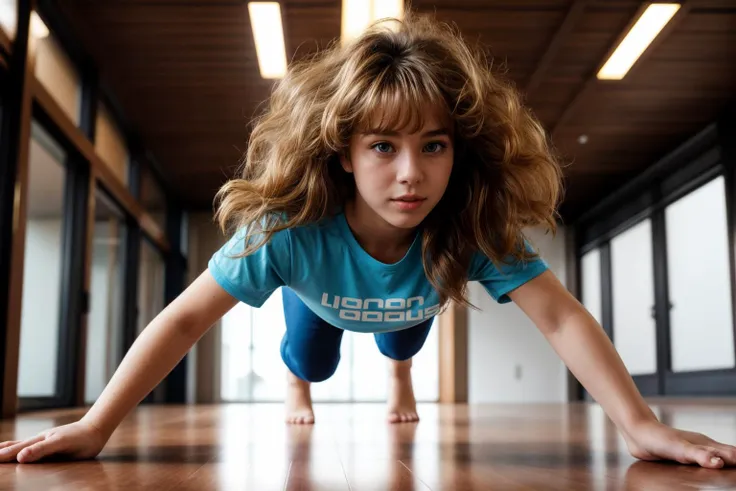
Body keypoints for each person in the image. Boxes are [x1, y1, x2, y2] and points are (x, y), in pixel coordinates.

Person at [0, 12, 734, 469]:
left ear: (459, 149)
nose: (411, 176)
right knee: (309, 355)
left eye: (435, 146)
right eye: (383, 146)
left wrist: (639, 424)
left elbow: (561, 315)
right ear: (343, 152)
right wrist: (97, 424)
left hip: (408, 302)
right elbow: (187, 316)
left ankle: (400, 373)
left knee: (404, 341)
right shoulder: (287, 232)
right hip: (318, 302)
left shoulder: (467, 224)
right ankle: (298, 378)